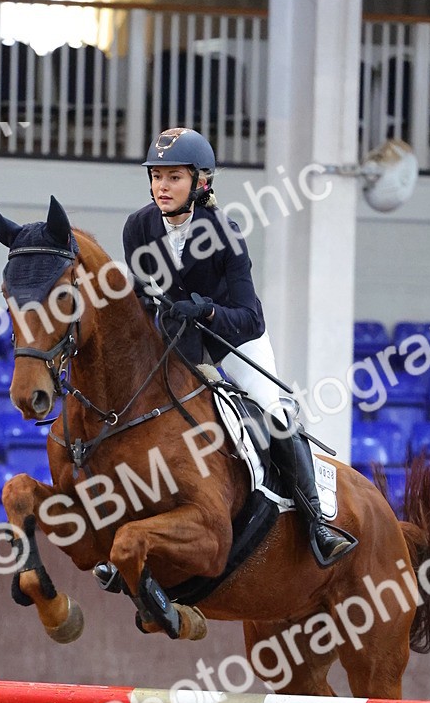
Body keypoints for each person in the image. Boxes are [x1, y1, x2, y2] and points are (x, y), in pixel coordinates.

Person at [122, 126, 356, 568]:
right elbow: (140, 293)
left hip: (233, 340)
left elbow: (249, 316)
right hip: (177, 342)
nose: (162, 187)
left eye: (173, 177)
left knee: (276, 410)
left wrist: (207, 312)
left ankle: (317, 524)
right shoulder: (138, 227)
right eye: (156, 176)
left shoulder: (225, 234)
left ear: (200, 182)